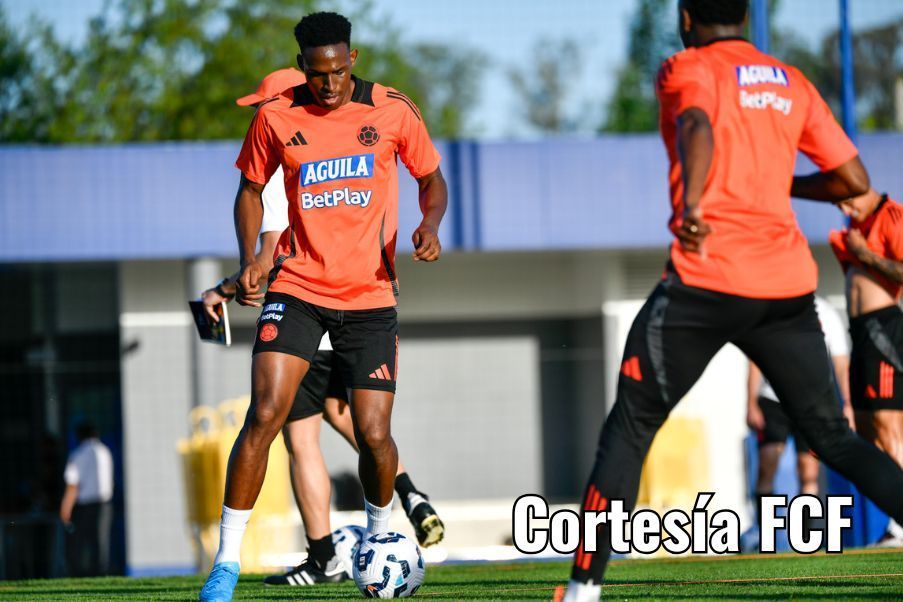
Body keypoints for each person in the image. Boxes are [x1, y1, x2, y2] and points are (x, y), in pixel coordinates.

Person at [558, 1, 903, 600]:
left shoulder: (686, 67)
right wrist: (781, 182)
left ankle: (584, 590)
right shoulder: (790, 81)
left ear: (686, 17)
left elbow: (697, 124)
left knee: (631, 428)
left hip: (708, 280)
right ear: (744, 16)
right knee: (834, 439)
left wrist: (695, 202)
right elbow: (853, 181)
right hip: (785, 290)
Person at [200, 11, 447, 601]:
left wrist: (430, 224)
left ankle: (380, 539)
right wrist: (249, 259)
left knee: (373, 433)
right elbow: (250, 190)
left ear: (351, 60)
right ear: (302, 67)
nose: (328, 84)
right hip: (298, 289)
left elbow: (431, 178)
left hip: (369, 296)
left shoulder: (392, 110)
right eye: (316, 74)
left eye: (337, 71)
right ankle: (226, 565)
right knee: (266, 415)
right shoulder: (275, 117)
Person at [829, 187, 903, 545]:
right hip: (858, 332)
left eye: (847, 201)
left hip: (883, 329)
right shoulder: (855, 228)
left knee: (889, 427)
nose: (845, 210)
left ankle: (900, 523)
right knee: (864, 431)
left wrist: (865, 255)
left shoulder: (892, 217)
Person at [746, 297, 851, 540]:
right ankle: (766, 536)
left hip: (811, 403)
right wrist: (750, 401)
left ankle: (806, 538)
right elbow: (756, 359)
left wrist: (847, 403)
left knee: (809, 470)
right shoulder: (773, 309)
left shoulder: (826, 314)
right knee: (767, 463)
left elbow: (840, 362)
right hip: (773, 400)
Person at [59, 422, 113, 577]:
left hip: (84, 506)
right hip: (104, 504)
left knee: (80, 543)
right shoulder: (105, 452)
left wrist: (65, 508)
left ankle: (80, 574)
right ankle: (101, 573)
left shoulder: (78, 454)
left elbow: (73, 484)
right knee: (101, 542)